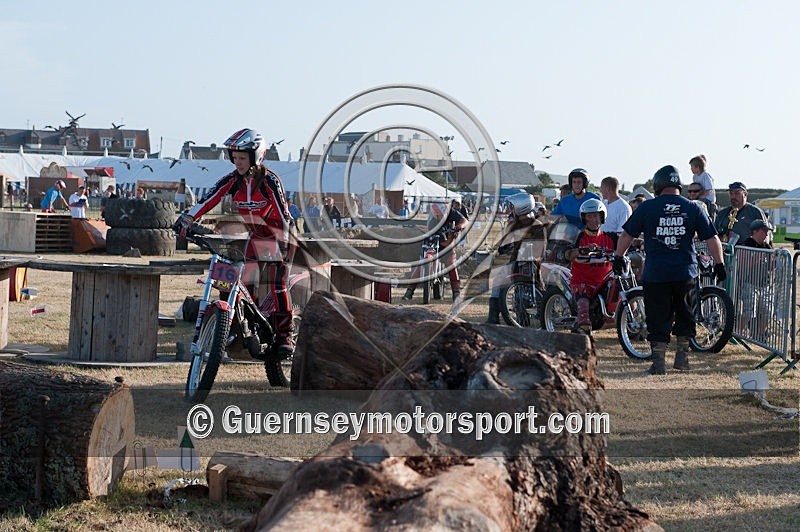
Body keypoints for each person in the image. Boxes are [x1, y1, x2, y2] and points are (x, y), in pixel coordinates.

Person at [176, 128, 297, 356]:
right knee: (232, 280)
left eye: (242, 158)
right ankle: (233, 329)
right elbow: (208, 199)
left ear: (255, 157)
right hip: (253, 237)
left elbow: (283, 212)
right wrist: (188, 218)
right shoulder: (232, 180)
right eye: (234, 157)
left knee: (277, 284)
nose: (237, 162)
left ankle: (285, 336)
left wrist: (285, 238)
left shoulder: (269, 180)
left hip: (279, 235)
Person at [614, 165, 725, 375]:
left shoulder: (647, 207)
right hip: (685, 273)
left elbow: (627, 235)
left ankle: (658, 364)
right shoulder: (693, 207)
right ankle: (682, 359)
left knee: (657, 318)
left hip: (656, 273)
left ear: (658, 185)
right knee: (686, 315)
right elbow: (712, 238)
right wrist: (719, 264)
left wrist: (618, 257)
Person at [485, 193, 546, 323]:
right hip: (516, 260)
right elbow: (504, 242)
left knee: (540, 283)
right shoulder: (514, 224)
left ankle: (545, 313)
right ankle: (493, 315)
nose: (511, 209)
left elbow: (541, 247)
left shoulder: (537, 225)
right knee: (498, 280)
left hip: (533, 262)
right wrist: (502, 247)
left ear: (521, 207)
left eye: (513, 206)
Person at [564, 199, 616, 335]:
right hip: (582, 282)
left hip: (604, 282)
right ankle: (582, 332)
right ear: (584, 218)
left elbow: (625, 240)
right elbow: (567, 255)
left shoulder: (610, 237)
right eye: (589, 216)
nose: (593, 220)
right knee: (584, 313)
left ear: (602, 217)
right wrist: (582, 250)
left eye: (596, 216)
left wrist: (637, 241)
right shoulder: (578, 237)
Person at [402, 200, 468, 302]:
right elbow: (442, 242)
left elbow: (465, 220)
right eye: (439, 216)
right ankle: (409, 291)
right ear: (434, 214)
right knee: (422, 263)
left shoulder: (451, 211)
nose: (442, 218)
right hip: (435, 242)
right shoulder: (432, 222)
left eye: (444, 215)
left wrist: (459, 226)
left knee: (451, 264)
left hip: (448, 241)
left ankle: (456, 292)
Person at [738, 219, 774, 339]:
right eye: (764, 231)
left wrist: (776, 262)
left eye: (767, 231)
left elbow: (771, 266)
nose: (766, 234)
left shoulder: (767, 246)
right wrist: (756, 259)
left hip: (764, 284)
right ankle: (737, 333)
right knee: (749, 312)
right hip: (749, 283)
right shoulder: (746, 245)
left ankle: (759, 335)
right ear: (755, 231)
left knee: (768, 312)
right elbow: (741, 266)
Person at [599, 176, 632, 245]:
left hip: (612, 246)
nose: (600, 190)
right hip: (600, 244)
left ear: (607, 189)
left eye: (601, 187)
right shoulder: (603, 204)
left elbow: (622, 234)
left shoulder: (624, 208)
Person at [689, 154, 717, 221]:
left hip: (708, 200)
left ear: (698, 167)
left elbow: (708, 190)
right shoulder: (695, 177)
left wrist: (699, 197)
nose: (691, 169)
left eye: (692, 167)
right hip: (700, 198)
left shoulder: (705, 175)